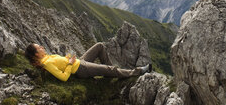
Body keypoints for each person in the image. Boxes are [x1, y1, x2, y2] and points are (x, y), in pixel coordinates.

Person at [24, 42, 152, 82]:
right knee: (110, 70)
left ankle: (111, 73)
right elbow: (63, 77)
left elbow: (61, 63)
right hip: (81, 69)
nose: (42, 47)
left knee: (100, 46)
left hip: (79, 62)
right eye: (39, 47)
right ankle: (138, 71)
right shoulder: (46, 63)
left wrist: (69, 59)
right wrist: (69, 64)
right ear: (36, 54)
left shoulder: (47, 57)